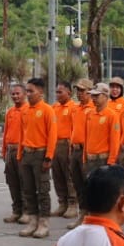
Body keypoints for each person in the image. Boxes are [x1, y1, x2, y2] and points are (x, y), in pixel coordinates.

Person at [16, 78, 58, 239]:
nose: (28, 94)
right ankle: (32, 221)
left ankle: (43, 223)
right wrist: (20, 154)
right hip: (27, 154)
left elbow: (52, 135)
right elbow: (22, 134)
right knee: (28, 190)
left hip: (40, 155)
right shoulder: (25, 110)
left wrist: (48, 157)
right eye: (27, 91)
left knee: (43, 190)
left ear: (40, 92)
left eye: (31, 91)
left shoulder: (47, 110)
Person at [51, 80, 80, 218]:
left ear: (69, 92)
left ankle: (73, 204)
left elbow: (75, 128)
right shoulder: (54, 107)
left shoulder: (74, 108)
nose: (57, 94)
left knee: (69, 176)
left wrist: (71, 147)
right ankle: (62, 203)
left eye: (60, 92)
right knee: (57, 175)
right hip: (55, 145)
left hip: (67, 144)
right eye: (56, 92)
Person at [1, 82, 27, 224]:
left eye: (18, 93)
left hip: (22, 150)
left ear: (24, 94)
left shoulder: (28, 110)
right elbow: (6, 132)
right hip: (10, 150)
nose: (15, 96)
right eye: (13, 94)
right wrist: (4, 150)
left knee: (24, 182)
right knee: (12, 182)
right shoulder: (10, 112)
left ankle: (27, 211)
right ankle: (16, 211)